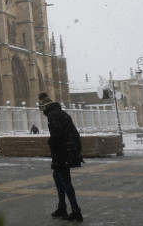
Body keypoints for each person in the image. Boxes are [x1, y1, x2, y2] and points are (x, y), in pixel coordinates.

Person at [39, 92, 84, 222]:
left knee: (65, 180)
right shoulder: (62, 113)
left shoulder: (53, 115)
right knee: (58, 177)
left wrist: (51, 141)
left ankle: (75, 210)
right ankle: (62, 207)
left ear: (45, 107)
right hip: (68, 150)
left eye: (42, 108)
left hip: (62, 152)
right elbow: (72, 133)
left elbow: (58, 133)